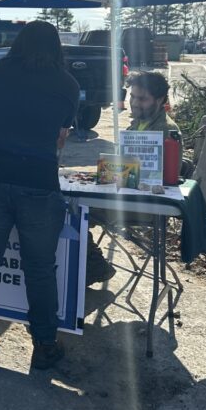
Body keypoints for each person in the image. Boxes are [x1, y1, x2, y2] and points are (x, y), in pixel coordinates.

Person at [0, 21, 79, 370]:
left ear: (17, 44)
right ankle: (44, 344)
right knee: (40, 268)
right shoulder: (67, 84)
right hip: (39, 181)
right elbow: (60, 140)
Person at [84, 70, 182, 285]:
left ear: (160, 100)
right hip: (123, 196)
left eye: (142, 98)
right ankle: (90, 264)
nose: (135, 103)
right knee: (70, 205)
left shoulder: (166, 131)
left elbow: (163, 179)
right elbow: (123, 168)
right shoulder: (138, 124)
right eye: (133, 97)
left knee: (75, 211)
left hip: (144, 205)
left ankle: (93, 266)